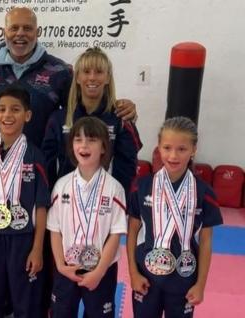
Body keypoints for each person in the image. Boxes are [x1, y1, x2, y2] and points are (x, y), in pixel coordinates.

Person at [0, 7, 137, 147]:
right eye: (14, 28)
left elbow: (85, 108)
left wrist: (120, 107)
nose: (20, 33)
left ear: (37, 32)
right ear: (4, 32)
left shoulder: (59, 71)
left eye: (27, 28)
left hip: (42, 166)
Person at [127, 116, 223, 317]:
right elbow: (133, 231)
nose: (173, 155)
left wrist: (200, 285)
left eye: (182, 149)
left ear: (193, 150)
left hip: (184, 277)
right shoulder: (141, 186)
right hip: (146, 277)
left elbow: (206, 241)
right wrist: (133, 274)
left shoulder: (204, 192)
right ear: (158, 148)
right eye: (167, 147)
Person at [0, 84, 50, 318]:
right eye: (2, 110)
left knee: (26, 304)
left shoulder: (35, 156)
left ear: (28, 115)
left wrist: (37, 249)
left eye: (15, 109)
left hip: (23, 241)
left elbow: (41, 206)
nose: (7, 115)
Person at [47, 117, 127, 317]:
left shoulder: (114, 188)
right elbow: (54, 230)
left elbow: (115, 235)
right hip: (66, 268)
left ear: (103, 147)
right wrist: (60, 265)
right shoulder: (61, 185)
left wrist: (99, 272)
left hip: (102, 271)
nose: (83, 145)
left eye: (91, 139)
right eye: (78, 139)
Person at [42, 47, 141, 193]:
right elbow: (47, 166)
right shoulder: (59, 118)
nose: (92, 77)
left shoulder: (120, 118)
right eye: (86, 72)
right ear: (77, 78)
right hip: (65, 202)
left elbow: (128, 169)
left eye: (99, 72)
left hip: (106, 204)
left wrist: (121, 204)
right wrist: (50, 202)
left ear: (107, 78)